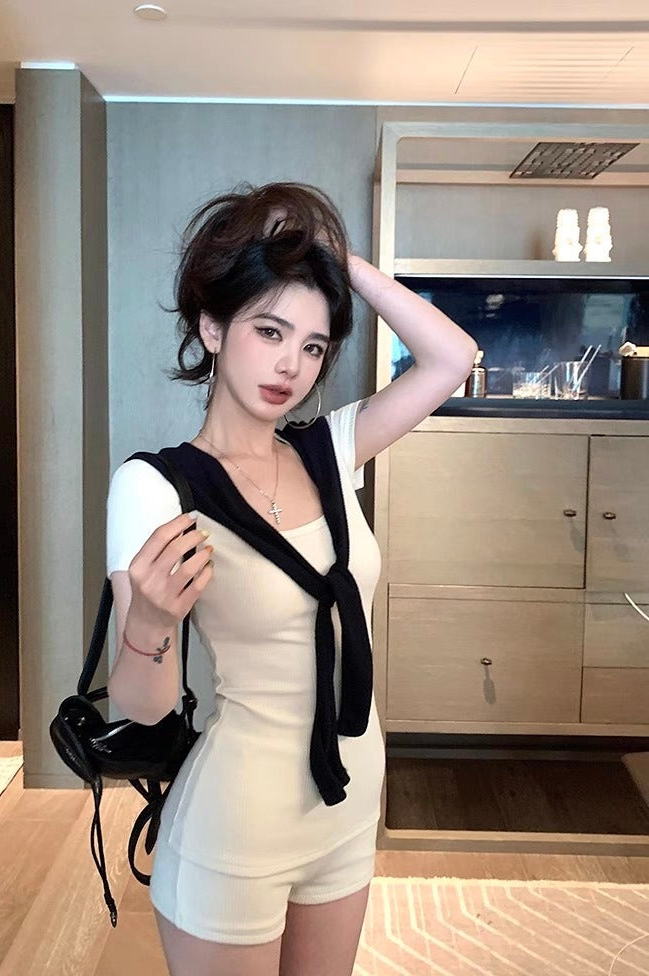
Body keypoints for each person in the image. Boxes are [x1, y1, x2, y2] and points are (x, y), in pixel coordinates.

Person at [105, 182, 478, 976]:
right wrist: (148, 624)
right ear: (212, 327)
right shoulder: (156, 487)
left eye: (312, 346)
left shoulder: (329, 450)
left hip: (350, 801)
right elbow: (144, 708)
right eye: (269, 331)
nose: (290, 365)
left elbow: (453, 358)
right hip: (238, 823)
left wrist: (340, 262)